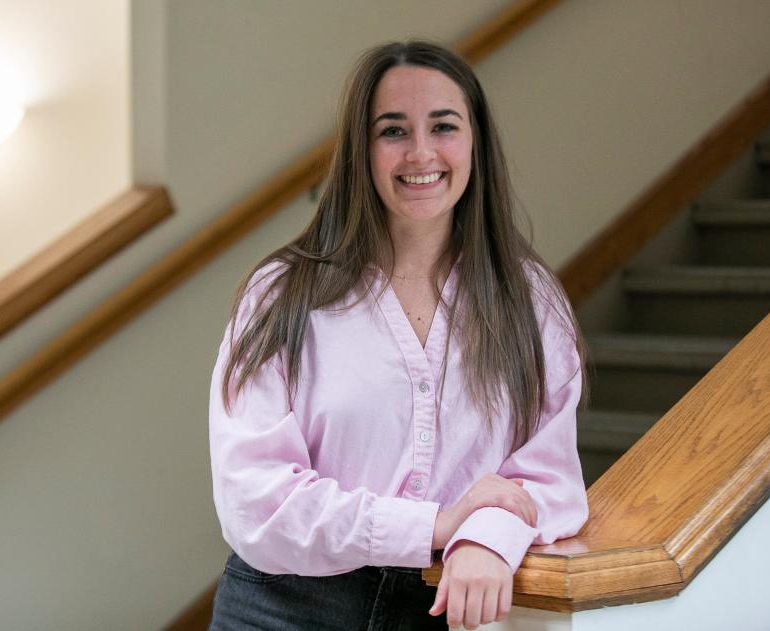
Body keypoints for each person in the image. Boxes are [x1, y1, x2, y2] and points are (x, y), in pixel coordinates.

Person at [207, 40, 588, 630]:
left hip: (445, 607)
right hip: (285, 609)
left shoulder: (530, 299)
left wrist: (485, 537)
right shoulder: (281, 294)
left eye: (444, 126)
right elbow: (255, 497)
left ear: (475, 143)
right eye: (392, 130)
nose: (420, 152)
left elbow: (549, 477)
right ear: (360, 150)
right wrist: (435, 526)